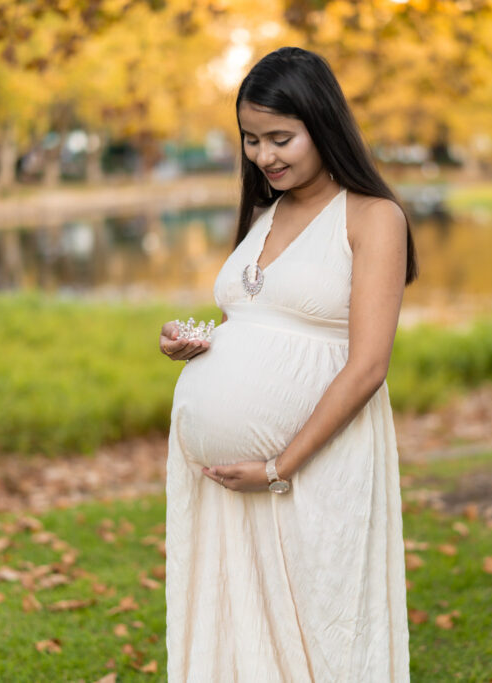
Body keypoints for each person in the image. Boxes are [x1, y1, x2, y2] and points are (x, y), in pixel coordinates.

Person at [158, 46, 419, 682]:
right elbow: (259, 323)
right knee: (239, 632)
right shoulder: (265, 213)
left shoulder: (372, 217)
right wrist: (196, 342)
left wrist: (280, 466)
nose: (264, 156)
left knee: (318, 625)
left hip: (310, 467)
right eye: (251, 140)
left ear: (322, 124)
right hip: (226, 480)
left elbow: (368, 366)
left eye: (281, 138)